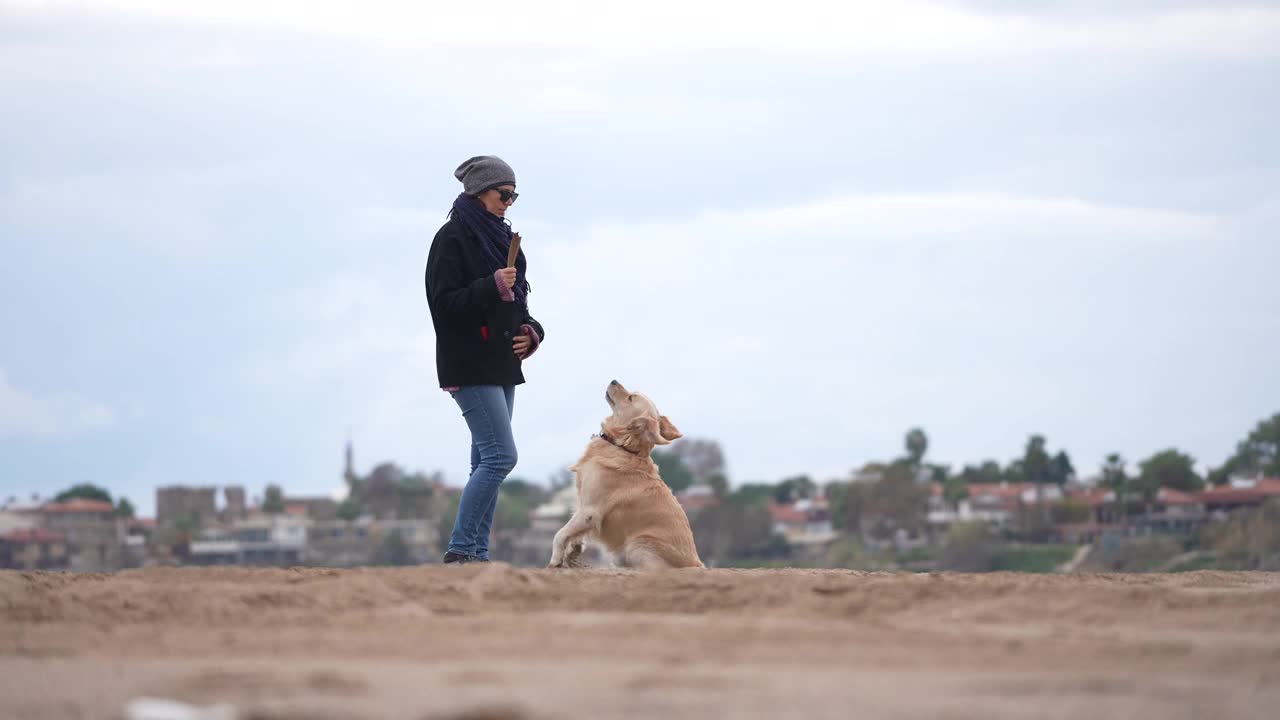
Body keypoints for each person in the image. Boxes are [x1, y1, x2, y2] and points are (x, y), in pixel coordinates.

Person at [424, 155, 545, 564]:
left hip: (502, 364)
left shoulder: (507, 243)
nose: (508, 202)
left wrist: (532, 333)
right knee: (500, 457)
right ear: (479, 192)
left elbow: (519, 307)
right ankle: (461, 548)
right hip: (468, 363)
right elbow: (442, 306)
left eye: (514, 195)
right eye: (503, 194)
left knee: (484, 459)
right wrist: (490, 285)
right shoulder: (451, 239)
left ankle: (477, 553)